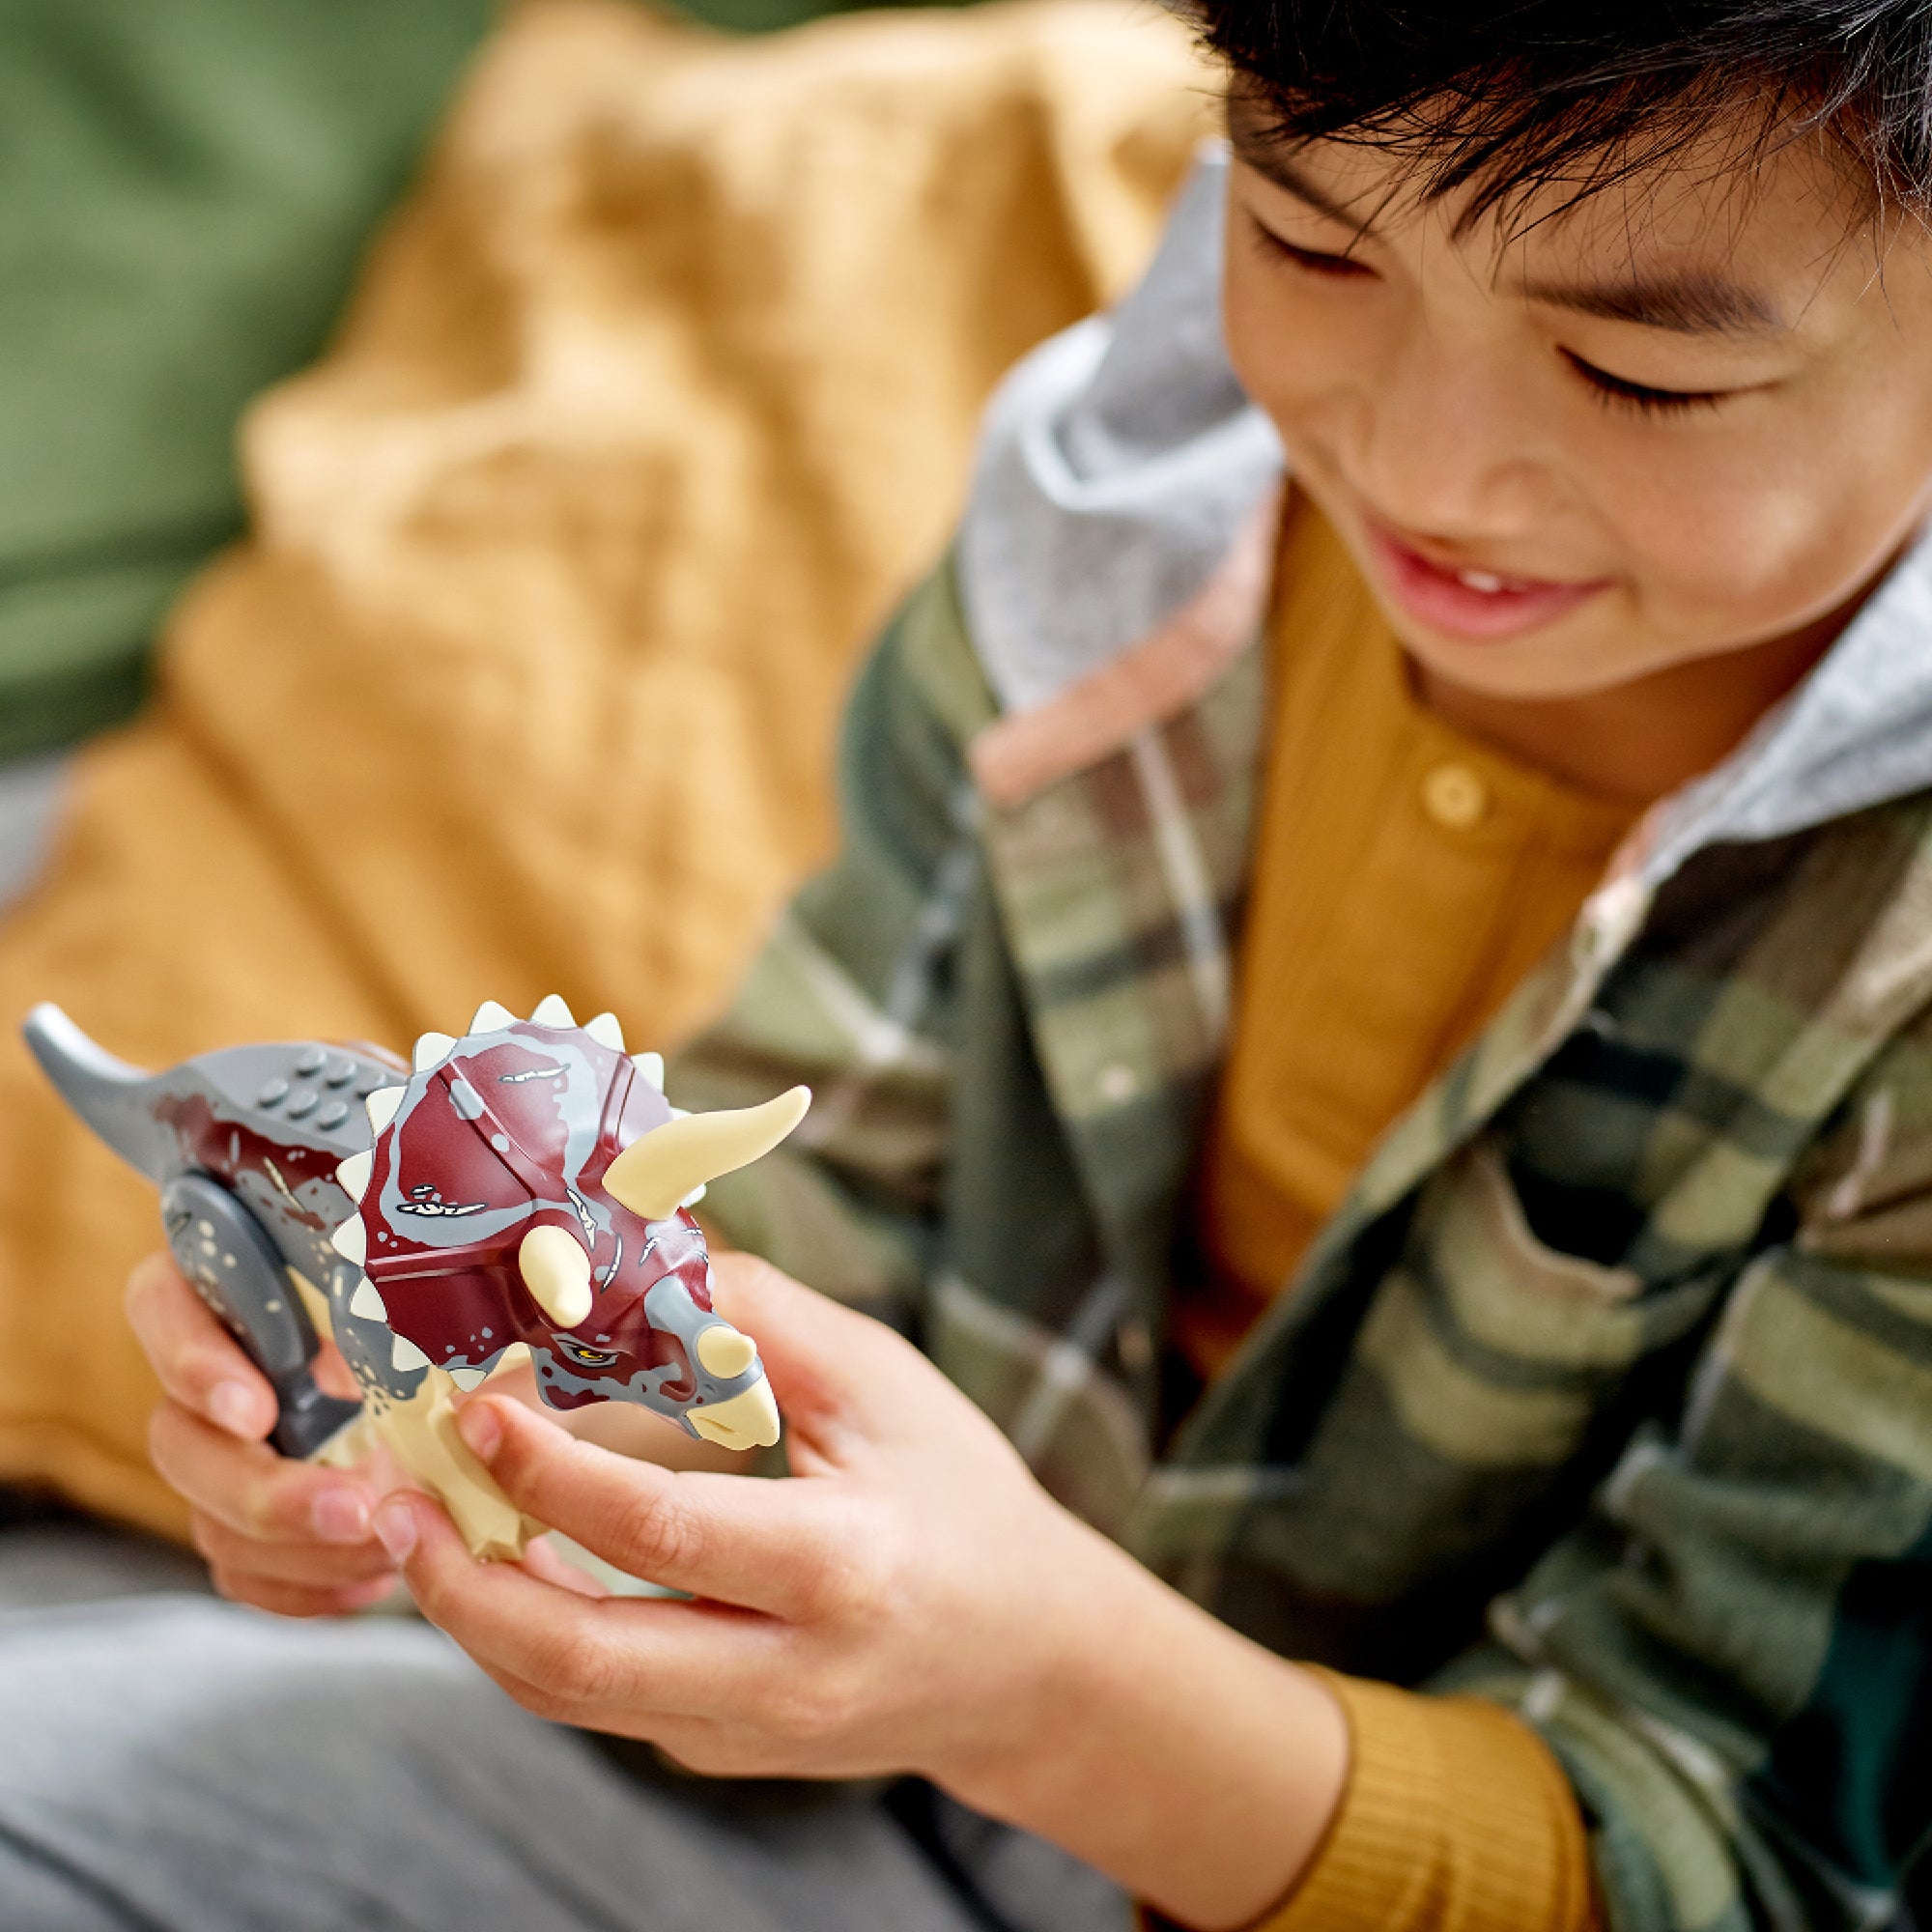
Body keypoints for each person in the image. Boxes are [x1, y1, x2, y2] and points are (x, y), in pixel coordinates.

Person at [6, 1, 1932, 1926]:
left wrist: (1051, 1699)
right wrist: (470, 1417)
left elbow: (1742, 1863)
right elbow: (830, 1216)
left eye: (1637, 374)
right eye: (1311, 243)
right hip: (835, 1791)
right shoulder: (1115, 539)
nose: (1425, 463)